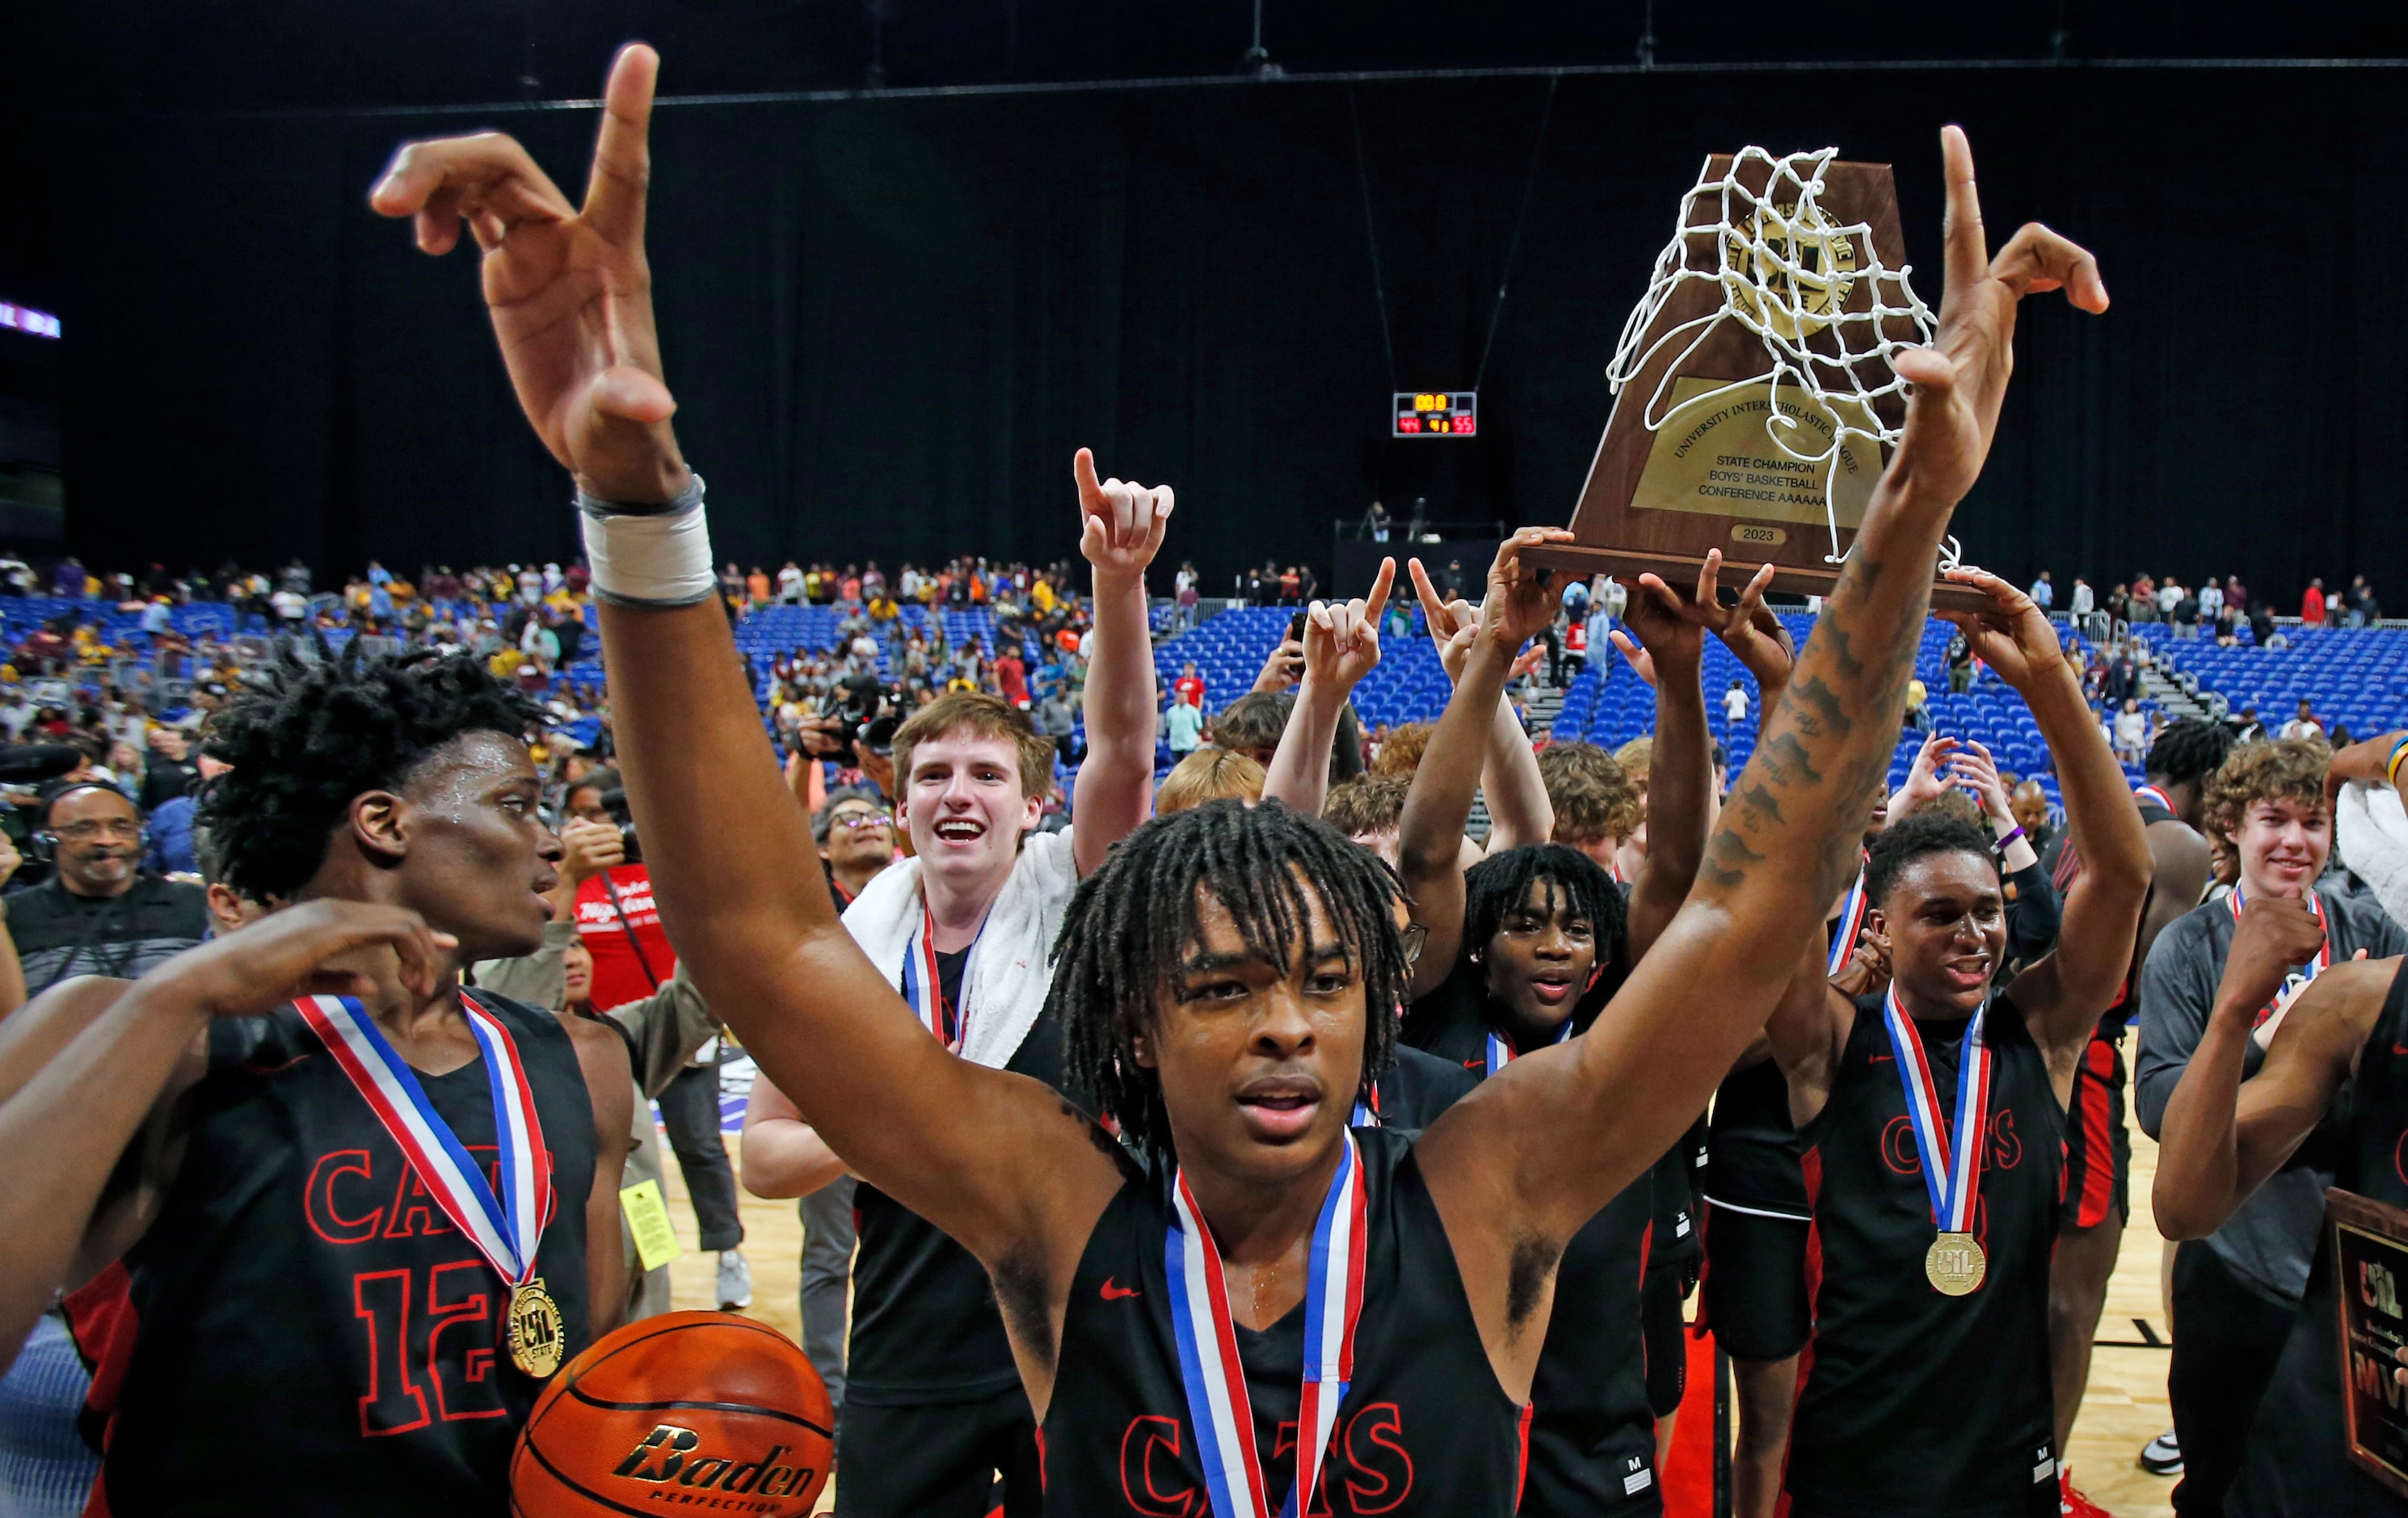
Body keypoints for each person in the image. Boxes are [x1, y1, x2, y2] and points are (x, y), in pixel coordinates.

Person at [381, 68, 2082, 1512]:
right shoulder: (1049, 1197)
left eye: (1321, 985)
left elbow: (1739, 908)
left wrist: (1904, 522)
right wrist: (638, 500)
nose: (1283, 1026)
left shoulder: (1490, 1177)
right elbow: (759, 936)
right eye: (1220, 988)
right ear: (1128, 1020)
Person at [0, 644, 631, 1515]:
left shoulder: (580, 1058)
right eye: (516, 806)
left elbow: (577, 1360)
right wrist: (176, 996)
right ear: (383, 822)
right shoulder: (130, 1028)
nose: (552, 841)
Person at [1760, 567, 2151, 1518]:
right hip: (1855, 1446)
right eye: (1940, 914)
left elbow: (2123, 873)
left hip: (2003, 1445)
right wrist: (1806, 697)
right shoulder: (1829, 1038)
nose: (1974, 933)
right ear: (1880, 929)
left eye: (1985, 911)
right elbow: (1771, 898)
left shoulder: (2041, 1031)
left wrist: (2048, 677)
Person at [2133, 737, 2408, 1515]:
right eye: (2272, 820)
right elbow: (2158, 1104)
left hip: (2346, 1265)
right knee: (2218, 1481)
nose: (2294, 839)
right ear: (2233, 828)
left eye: (2313, 822)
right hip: (2234, 1256)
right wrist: (2264, 1037)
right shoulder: (2190, 943)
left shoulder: (2373, 930)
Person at [2040, 717, 2233, 1486]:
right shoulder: (2179, 846)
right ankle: (2043, 1482)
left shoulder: (2074, 822)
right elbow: (2163, 985)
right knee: (2075, 1301)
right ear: (2212, 784)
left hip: (2026, 1055)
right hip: (2083, 1061)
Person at [558, 770, 750, 1309]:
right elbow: (515, 977)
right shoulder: (560, 886)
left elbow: (697, 998)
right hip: (561, 1245)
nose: (574, 954)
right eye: (592, 814)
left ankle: (728, 1251)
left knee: (698, 1148)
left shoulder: (660, 871)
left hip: (633, 1032)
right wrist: (566, 881)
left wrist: (692, 868)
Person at [7, 782, 207, 997]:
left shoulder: (195, 903)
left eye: (122, 828)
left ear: (142, 836)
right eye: (83, 829)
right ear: (46, 842)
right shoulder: (13, 915)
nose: (107, 840)